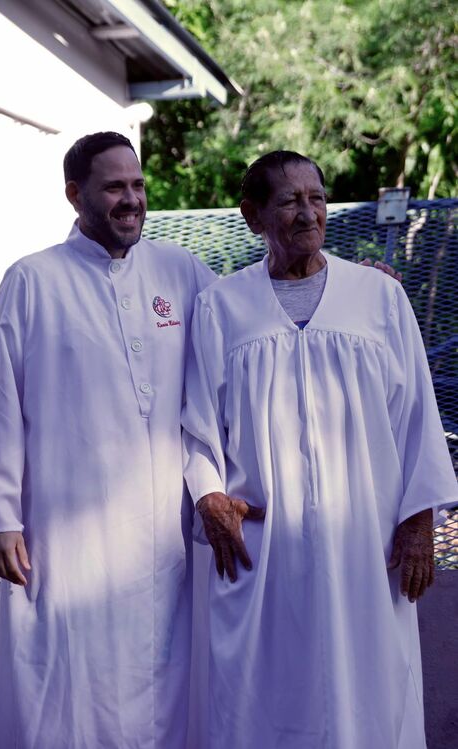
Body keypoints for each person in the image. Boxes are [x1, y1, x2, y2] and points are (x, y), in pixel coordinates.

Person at [182, 150, 458, 749]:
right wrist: (209, 497)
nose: (309, 213)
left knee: (371, 690)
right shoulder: (221, 307)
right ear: (252, 215)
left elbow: (417, 415)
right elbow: (198, 426)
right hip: (264, 549)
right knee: (261, 696)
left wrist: (418, 522)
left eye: (317, 198)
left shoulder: (378, 297)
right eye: (289, 201)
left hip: (367, 545)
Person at [0, 132, 216, 749]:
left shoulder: (180, 271)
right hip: (63, 539)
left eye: (138, 185)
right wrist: (0, 517)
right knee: (65, 686)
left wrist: (346, 282)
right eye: (114, 187)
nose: (132, 200)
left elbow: (250, 319)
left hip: (161, 536)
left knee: (162, 684)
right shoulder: (33, 279)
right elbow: (1, 401)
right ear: (75, 195)